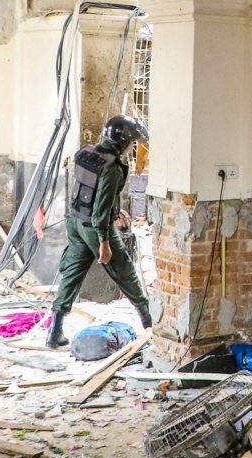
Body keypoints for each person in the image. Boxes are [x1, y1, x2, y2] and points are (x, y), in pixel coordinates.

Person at [47, 115, 152, 348]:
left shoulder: (87, 153)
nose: (131, 147)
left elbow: (91, 193)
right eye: (132, 142)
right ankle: (149, 321)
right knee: (124, 271)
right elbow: (101, 208)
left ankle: (54, 332)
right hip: (95, 227)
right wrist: (104, 241)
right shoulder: (112, 168)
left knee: (72, 274)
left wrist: (116, 209)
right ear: (123, 141)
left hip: (75, 221)